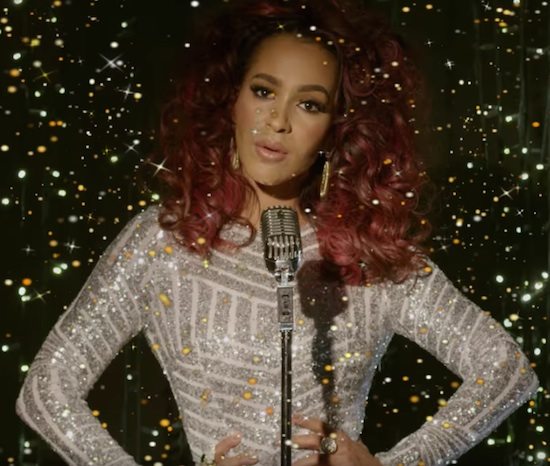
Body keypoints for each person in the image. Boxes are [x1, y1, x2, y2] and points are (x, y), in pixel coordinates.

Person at [17, 0, 539, 465]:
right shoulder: (164, 241)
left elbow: (507, 370)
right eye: (264, 91)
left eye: (309, 104)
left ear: (335, 129)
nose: (278, 120)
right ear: (232, 100)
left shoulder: (366, 255)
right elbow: (45, 390)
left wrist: (394, 464)